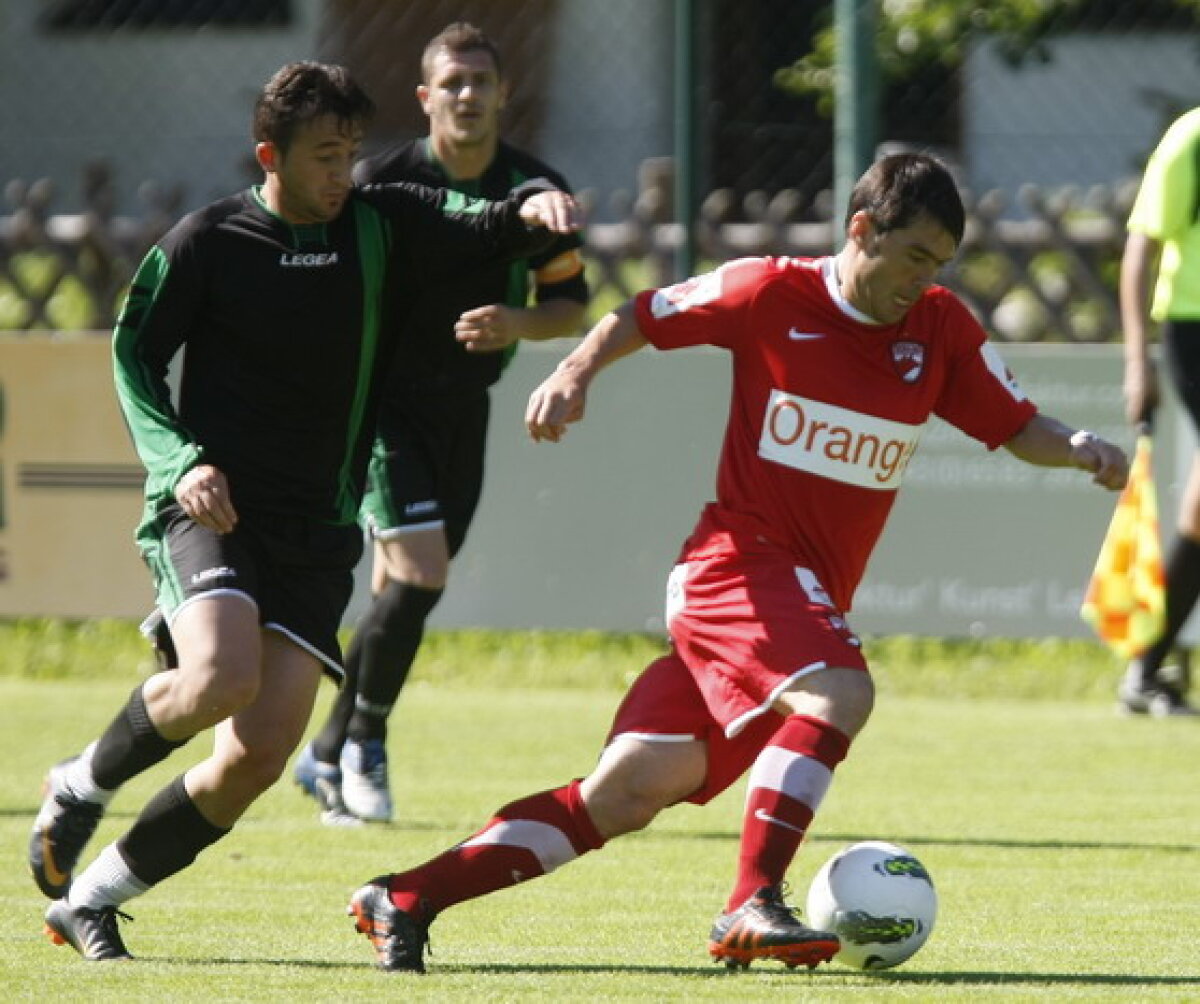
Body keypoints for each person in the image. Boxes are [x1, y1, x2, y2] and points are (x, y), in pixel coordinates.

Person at [344, 152, 1129, 974]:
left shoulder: (937, 329)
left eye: (938, 266)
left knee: (629, 789)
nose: (923, 281)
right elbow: (642, 313)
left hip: (791, 599)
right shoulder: (769, 291)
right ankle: (752, 901)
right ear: (862, 230)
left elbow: (1013, 424)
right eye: (914, 258)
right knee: (840, 692)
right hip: (734, 566)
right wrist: (575, 372)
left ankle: (405, 896)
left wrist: (1076, 448)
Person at [28, 60, 580, 962]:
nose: (344, 173)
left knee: (258, 754)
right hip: (213, 507)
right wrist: (181, 462)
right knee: (218, 679)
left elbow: (469, 220)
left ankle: (92, 898)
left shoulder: (376, 223)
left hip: (317, 527)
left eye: (352, 152)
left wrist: (527, 213)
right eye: (326, 155)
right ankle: (80, 784)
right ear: (269, 156)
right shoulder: (207, 241)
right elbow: (132, 358)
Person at [293, 22, 589, 824]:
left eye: (480, 83)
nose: (467, 96)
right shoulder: (383, 183)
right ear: (425, 98)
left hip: (466, 406)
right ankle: (364, 747)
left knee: (403, 590)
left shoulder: (535, 187)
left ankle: (324, 750)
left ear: (503, 95)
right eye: (451, 83)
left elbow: (571, 306)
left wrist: (515, 325)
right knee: (421, 571)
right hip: (383, 408)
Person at [1117, 106, 1200, 717]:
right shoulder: (1191, 137)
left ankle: (1145, 672)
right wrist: (1137, 363)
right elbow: (1140, 250)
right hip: (1194, 330)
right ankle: (1145, 671)